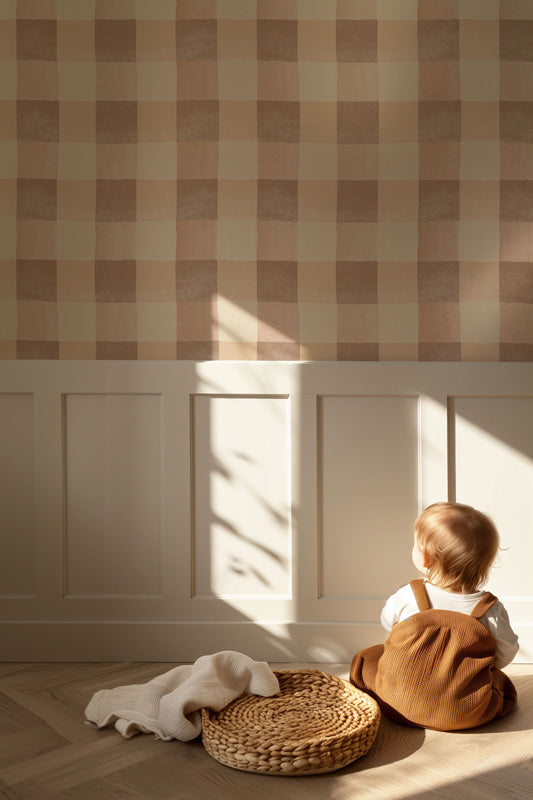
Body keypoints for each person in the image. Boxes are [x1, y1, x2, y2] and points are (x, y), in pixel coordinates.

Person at [350, 502, 519, 731]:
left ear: (425, 558)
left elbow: (387, 623)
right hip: (466, 715)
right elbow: (506, 651)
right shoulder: (490, 609)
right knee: (499, 682)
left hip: (396, 707)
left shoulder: (408, 595)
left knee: (367, 659)